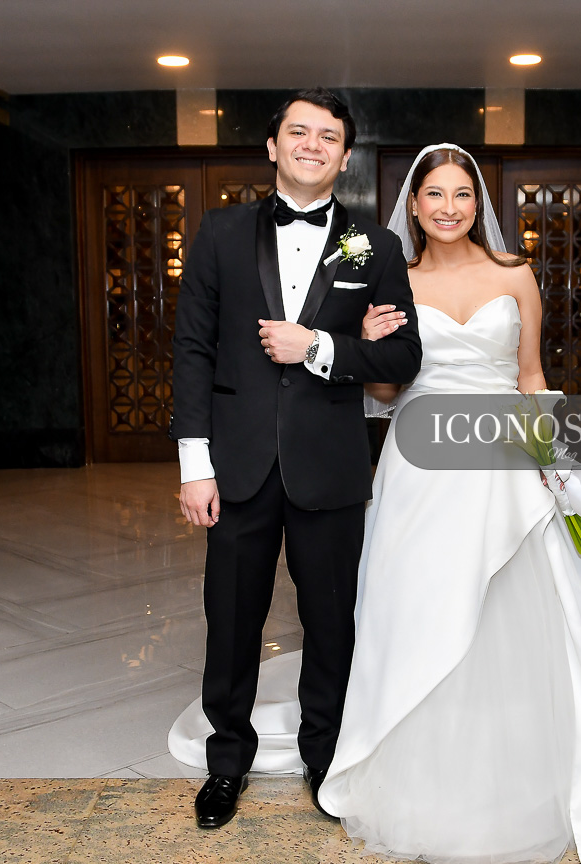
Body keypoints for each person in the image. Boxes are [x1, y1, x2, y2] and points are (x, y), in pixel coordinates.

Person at [170, 143, 581, 863]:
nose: (449, 208)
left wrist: (552, 459)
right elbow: (386, 387)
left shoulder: (515, 274)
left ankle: (519, 749)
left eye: (462, 194)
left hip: (502, 456)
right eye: (435, 195)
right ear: (414, 204)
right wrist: (361, 341)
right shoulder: (392, 274)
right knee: (418, 603)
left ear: (478, 203)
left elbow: (530, 374)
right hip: (421, 463)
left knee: (514, 605)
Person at [170, 87, 421, 831]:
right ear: (273, 146)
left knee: (331, 621)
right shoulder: (219, 232)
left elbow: (401, 357)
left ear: (345, 157)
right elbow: (192, 350)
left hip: (330, 466)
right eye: (299, 132)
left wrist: (323, 346)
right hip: (236, 464)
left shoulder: (376, 247)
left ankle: (325, 756)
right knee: (231, 619)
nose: (313, 145)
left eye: (329, 137)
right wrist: (194, 463)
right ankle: (226, 762)